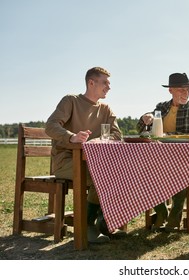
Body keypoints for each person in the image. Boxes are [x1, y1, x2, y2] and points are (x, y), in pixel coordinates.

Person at [45, 66, 125, 243]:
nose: (108, 87)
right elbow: (50, 126)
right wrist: (72, 137)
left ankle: (105, 221)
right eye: (105, 83)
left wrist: (98, 141)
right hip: (66, 162)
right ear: (91, 82)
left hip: (94, 161)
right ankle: (88, 226)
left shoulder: (105, 109)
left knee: (122, 171)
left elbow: (117, 135)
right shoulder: (70, 101)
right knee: (102, 174)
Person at [137, 72, 189, 231]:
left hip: (183, 158)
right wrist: (145, 118)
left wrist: (169, 137)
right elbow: (142, 130)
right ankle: (161, 211)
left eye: (187, 89)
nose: (185, 93)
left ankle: (174, 218)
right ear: (170, 90)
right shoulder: (161, 107)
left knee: (179, 175)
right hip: (158, 158)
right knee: (142, 173)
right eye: (181, 90)